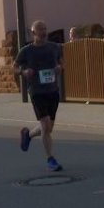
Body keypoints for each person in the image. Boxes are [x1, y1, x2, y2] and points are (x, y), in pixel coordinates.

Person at [16, 20, 64, 172]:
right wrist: (23, 72)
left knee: (49, 128)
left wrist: (59, 67)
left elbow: (61, 62)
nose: (43, 32)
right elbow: (14, 67)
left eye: (45, 29)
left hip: (52, 90)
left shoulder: (54, 47)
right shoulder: (26, 51)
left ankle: (28, 135)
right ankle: (50, 159)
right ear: (33, 33)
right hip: (37, 91)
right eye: (40, 30)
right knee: (45, 124)